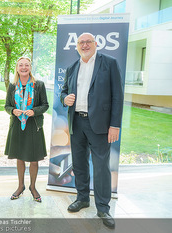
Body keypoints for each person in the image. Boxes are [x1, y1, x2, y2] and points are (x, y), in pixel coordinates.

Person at [60, 32, 124, 229]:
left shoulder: (109, 63)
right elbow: (63, 90)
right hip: (76, 122)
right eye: (81, 42)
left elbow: (117, 96)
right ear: (77, 46)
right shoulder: (72, 67)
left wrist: (115, 125)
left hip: (100, 125)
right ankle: (82, 198)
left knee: (101, 166)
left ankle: (103, 207)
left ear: (96, 44)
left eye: (88, 42)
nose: (85, 45)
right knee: (78, 164)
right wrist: (65, 98)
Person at [5, 57, 49, 203]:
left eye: (27, 65)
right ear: (17, 68)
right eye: (21, 65)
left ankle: (33, 187)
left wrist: (34, 111)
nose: (24, 67)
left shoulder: (39, 85)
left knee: (34, 159)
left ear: (30, 67)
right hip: (17, 125)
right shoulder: (12, 86)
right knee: (19, 157)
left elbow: (45, 105)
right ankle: (20, 186)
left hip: (33, 125)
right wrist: (13, 111)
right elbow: (7, 106)